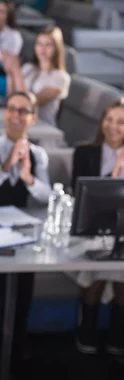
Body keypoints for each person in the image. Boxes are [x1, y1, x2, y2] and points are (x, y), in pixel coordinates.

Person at [0, 91, 51, 361]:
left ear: (33, 117)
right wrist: (7, 165)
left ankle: (16, 337)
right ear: (5, 113)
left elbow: (46, 195)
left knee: (25, 279)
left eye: (23, 111)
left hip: (20, 227)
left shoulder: (39, 154)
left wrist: (28, 177)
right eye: (12, 109)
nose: (16, 116)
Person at [71, 98, 124, 356]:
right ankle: (87, 332)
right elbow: (81, 193)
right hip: (94, 228)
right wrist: (114, 174)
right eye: (109, 120)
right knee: (95, 278)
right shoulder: (85, 153)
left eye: (120, 122)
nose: (113, 127)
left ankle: (117, 336)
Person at [3, 25, 71, 127]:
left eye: (48, 45)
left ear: (57, 48)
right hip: (20, 125)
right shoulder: (29, 68)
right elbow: (11, 97)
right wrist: (10, 73)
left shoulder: (61, 77)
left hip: (43, 130)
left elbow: (26, 104)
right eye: (39, 44)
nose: (42, 49)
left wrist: (16, 71)